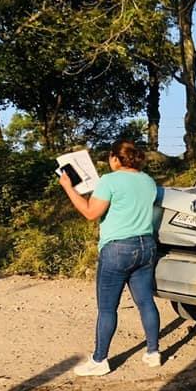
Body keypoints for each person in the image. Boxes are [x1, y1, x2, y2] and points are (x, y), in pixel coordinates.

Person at [59, 140, 161, 376]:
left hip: (117, 249)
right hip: (146, 246)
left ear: (116, 158)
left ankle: (99, 360)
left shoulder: (109, 180)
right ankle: (153, 352)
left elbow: (89, 213)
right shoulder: (148, 180)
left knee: (107, 309)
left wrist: (67, 186)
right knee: (145, 301)